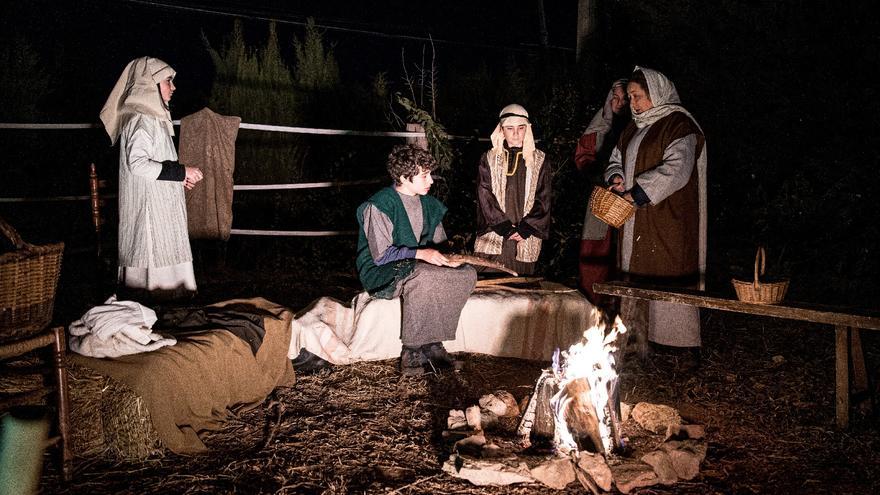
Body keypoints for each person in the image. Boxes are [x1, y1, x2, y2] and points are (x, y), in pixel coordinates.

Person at [603, 66, 708, 361]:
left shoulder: (679, 125)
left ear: (657, 93)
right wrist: (616, 177)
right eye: (630, 97)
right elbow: (616, 158)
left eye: (638, 96)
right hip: (636, 218)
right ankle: (637, 341)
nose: (633, 104)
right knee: (634, 274)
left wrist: (638, 193)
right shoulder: (633, 127)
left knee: (669, 272)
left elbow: (678, 168)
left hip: (667, 217)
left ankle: (680, 347)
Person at [356, 144, 477, 376]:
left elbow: (439, 244)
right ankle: (411, 352)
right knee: (424, 275)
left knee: (466, 273)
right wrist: (422, 254)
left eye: (430, 174)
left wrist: (450, 259)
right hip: (381, 270)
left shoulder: (429, 204)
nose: (430, 180)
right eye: (424, 175)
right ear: (404, 177)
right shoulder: (380, 205)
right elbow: (381, 255)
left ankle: (433, 346)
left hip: (418, 263)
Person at [99, 57, 204, 301]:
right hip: (149, 213)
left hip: (159, 205)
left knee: (167, 254)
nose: (173, 87)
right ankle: (155, 302)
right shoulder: (141, 119)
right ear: (149, 84)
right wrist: (181, 172)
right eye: (168, 81)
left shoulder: (153, 118)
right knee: (153, 264)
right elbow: (137, 164)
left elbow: (157, 162)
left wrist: (178, 178)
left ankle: (168, 303)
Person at [474, 104, 551, 276]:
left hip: (525, 234)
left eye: (521, 128)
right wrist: (505, 228)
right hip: (495, 231)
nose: (515, 133)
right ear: (501, 130)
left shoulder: (540, 160)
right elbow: (484, 194)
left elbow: (544, 198)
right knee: (488, 279)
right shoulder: (489, 158)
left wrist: (525, 229)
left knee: (519, 282)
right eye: (510, 128)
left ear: (527, 129)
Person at [575, 79, 630, 303]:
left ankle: (620, 308)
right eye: (615, 98)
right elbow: (582, 157)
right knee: (595, 250)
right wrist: (600, 174)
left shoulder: (637, 128)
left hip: (629, 199)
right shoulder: (598, 128)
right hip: (601, 199)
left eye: (625, 98)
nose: (619, 103)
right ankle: (593, 305)